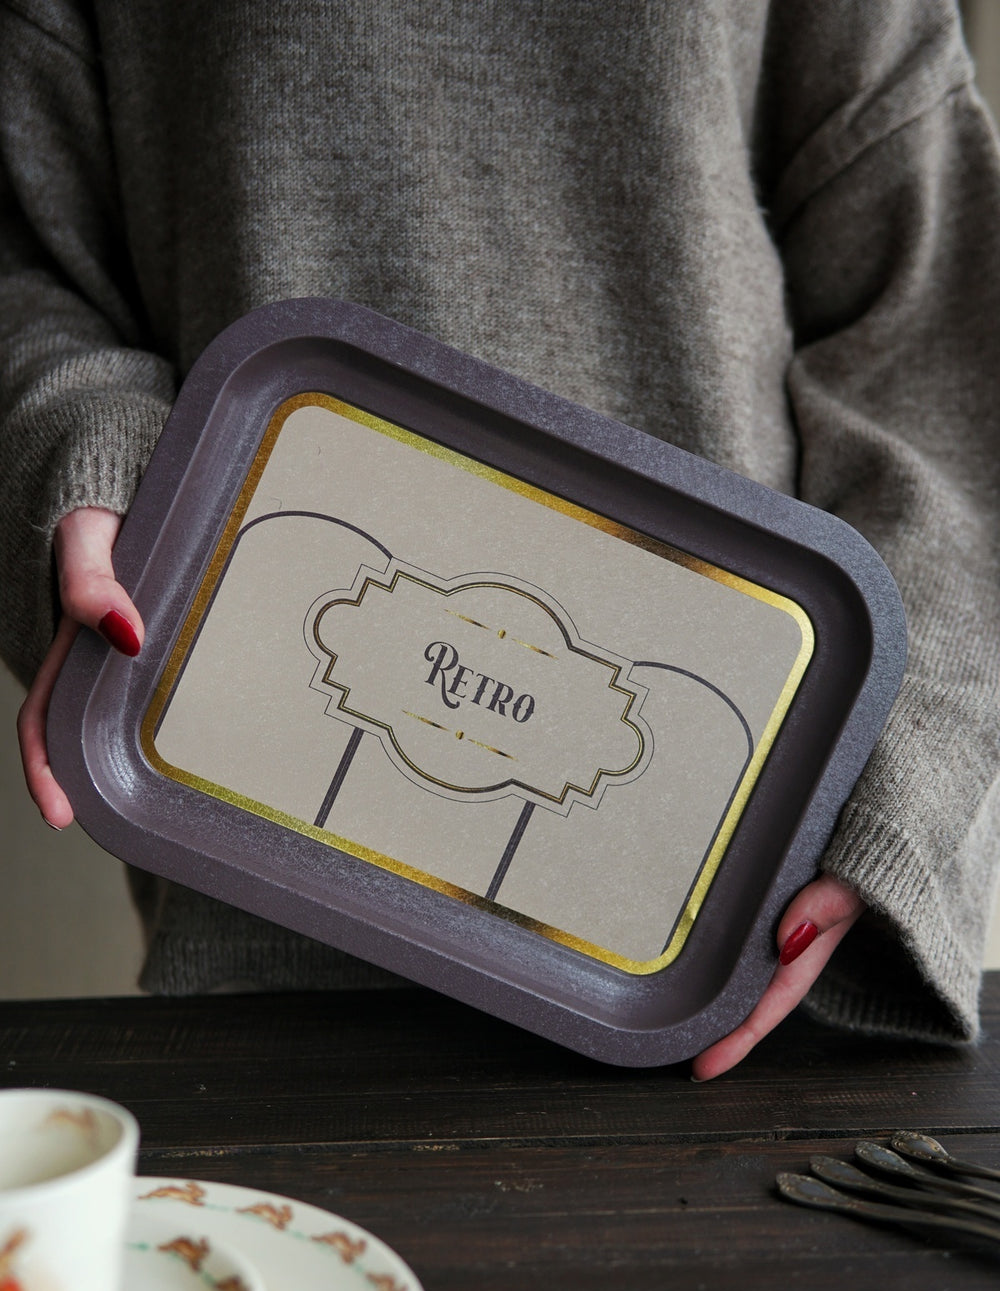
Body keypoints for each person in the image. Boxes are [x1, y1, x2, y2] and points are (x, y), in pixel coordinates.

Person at [2, 0, 997, 1079]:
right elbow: (27, 263)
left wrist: (893, 784)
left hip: (720, 927)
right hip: (265, 935)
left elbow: (933, 334)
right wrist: (92, 464)